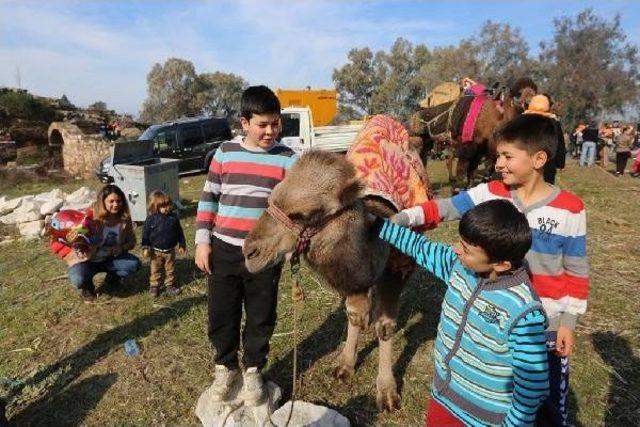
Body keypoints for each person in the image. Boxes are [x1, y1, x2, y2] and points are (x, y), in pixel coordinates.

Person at [394, 113, 589, 426]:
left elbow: (577, 269)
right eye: (498, 155)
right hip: (498, 318)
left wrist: (568, 321)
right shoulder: (491, 192)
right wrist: (405, 218)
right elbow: (446, 208)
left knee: (546, 401)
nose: (499, 163)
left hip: (547, 325)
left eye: (507, 156)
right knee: (500, 386)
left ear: (539, 158)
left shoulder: (570, 208)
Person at [374, 199, 548, 426]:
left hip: (486, 417)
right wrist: (374, 223)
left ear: (501, 265)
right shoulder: (458, 266)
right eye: (460, 241)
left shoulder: (523, 313)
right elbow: (418, 246)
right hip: (444, 397)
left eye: (467, 249)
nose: (456, 248)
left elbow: (533, 385)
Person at [194, 86, 297, 406]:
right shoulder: (225, 153)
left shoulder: (288, 159)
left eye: (276, 124)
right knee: (221, 313)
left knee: (261, 314)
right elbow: (208, 198)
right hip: (224, 249)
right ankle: (225, 367)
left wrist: (289, 243)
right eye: (263, 124)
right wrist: (202, 241)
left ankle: (253, 370)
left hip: (265, 253)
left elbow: (294, 208)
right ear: (244, 123)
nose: (270, 131)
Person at [50, 184, 141, 302]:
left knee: (134, 264)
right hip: (88, 261)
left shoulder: (124, 219)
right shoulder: (89, 217)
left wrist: (122, 247)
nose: (116, 204)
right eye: (111, 201)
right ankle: (87, 288)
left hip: (110, 259)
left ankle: (112, 280)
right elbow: (58, 240)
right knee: (78, 278)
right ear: (102, 202)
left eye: (119, 201)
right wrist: (71, 253)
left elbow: (132, 242)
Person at [141, 190, 186, 297]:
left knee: (170, 269)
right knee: (155, 269)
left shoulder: (173, 218)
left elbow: (180, 232)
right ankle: (154, 286)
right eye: (162, 206)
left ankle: (170, 285)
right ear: (154, 207)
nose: (166, 208)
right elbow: (145, 234)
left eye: (168, 205)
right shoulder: (151, 220)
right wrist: (145, 247)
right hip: (155, 252)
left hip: (170, 251)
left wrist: (182, 245)